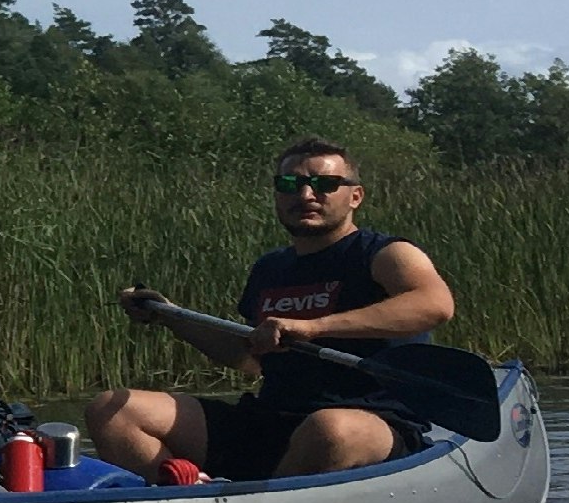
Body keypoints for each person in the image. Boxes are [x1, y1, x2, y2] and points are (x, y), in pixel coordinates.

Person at [86, 137, 455, 482]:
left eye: (324, 184)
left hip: (372, 422)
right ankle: (185, 498)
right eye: (290, 184)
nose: (306, 194)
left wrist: (314, 327)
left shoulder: (385, 254)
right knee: (112, 408)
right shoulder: (270, 268)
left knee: (331, 429)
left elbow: (435, 305)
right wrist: (169, 316)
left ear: (355, 196)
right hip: (271, 419)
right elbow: (248, 358)